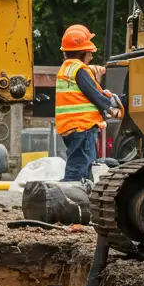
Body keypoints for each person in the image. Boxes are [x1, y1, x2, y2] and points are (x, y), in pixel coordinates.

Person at [55, 24, 122, 182]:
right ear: (82, 53)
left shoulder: (66, 69)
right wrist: (112, 109)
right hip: (82, 127)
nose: (91, 57)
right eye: (90, 53)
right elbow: (93, 94)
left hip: (70, 128)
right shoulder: (80, 70)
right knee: (78, 167)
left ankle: (84, 198)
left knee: (85, 167)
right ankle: (68, 197)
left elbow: (81, 94)